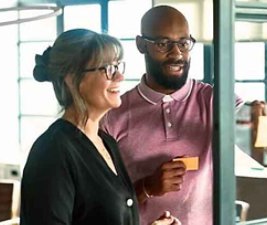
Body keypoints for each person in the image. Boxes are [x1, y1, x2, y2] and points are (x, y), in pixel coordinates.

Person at [20, 28, 181, 225]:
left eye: (118, 67)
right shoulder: (53, 151)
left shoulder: (107, 142)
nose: (119, 78)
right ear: (72, 79)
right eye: (108, 69)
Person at [100, 6, 243, 225]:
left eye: (184, 44)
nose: (176, 53)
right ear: (141, 45)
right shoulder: (112, 115)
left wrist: (262, 128)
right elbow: (101, 206)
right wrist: (146, 187)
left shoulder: (215, 100)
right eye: (162, 44)